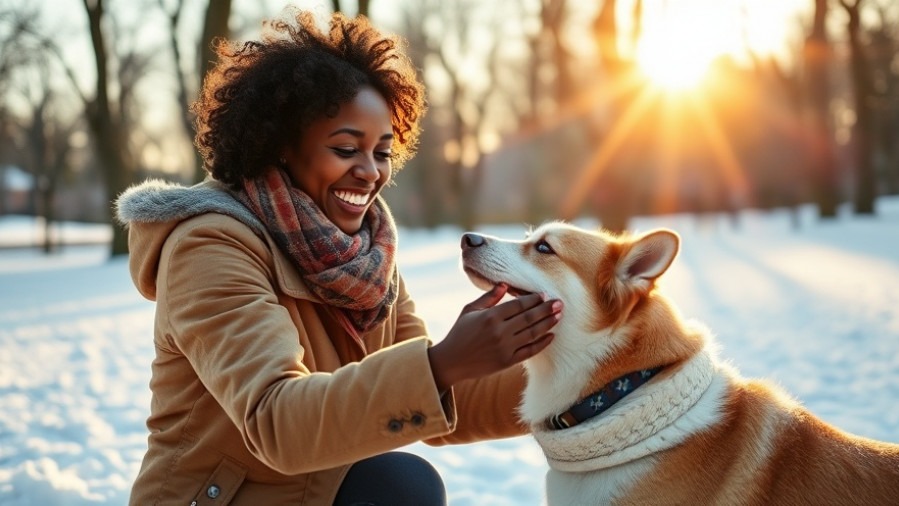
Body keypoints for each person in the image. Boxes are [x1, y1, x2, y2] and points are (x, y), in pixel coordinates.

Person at [115, 7, 562, 506]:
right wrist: (440, 364)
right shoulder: (209, 246)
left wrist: (576, 384)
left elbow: (438, 397)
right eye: (347, 149)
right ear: (282, 147)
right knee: (401, 486)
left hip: (313, 491)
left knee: (399, 482)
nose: (370, 172)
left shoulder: (368, 256)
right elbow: (276, 419)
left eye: (382, 152)